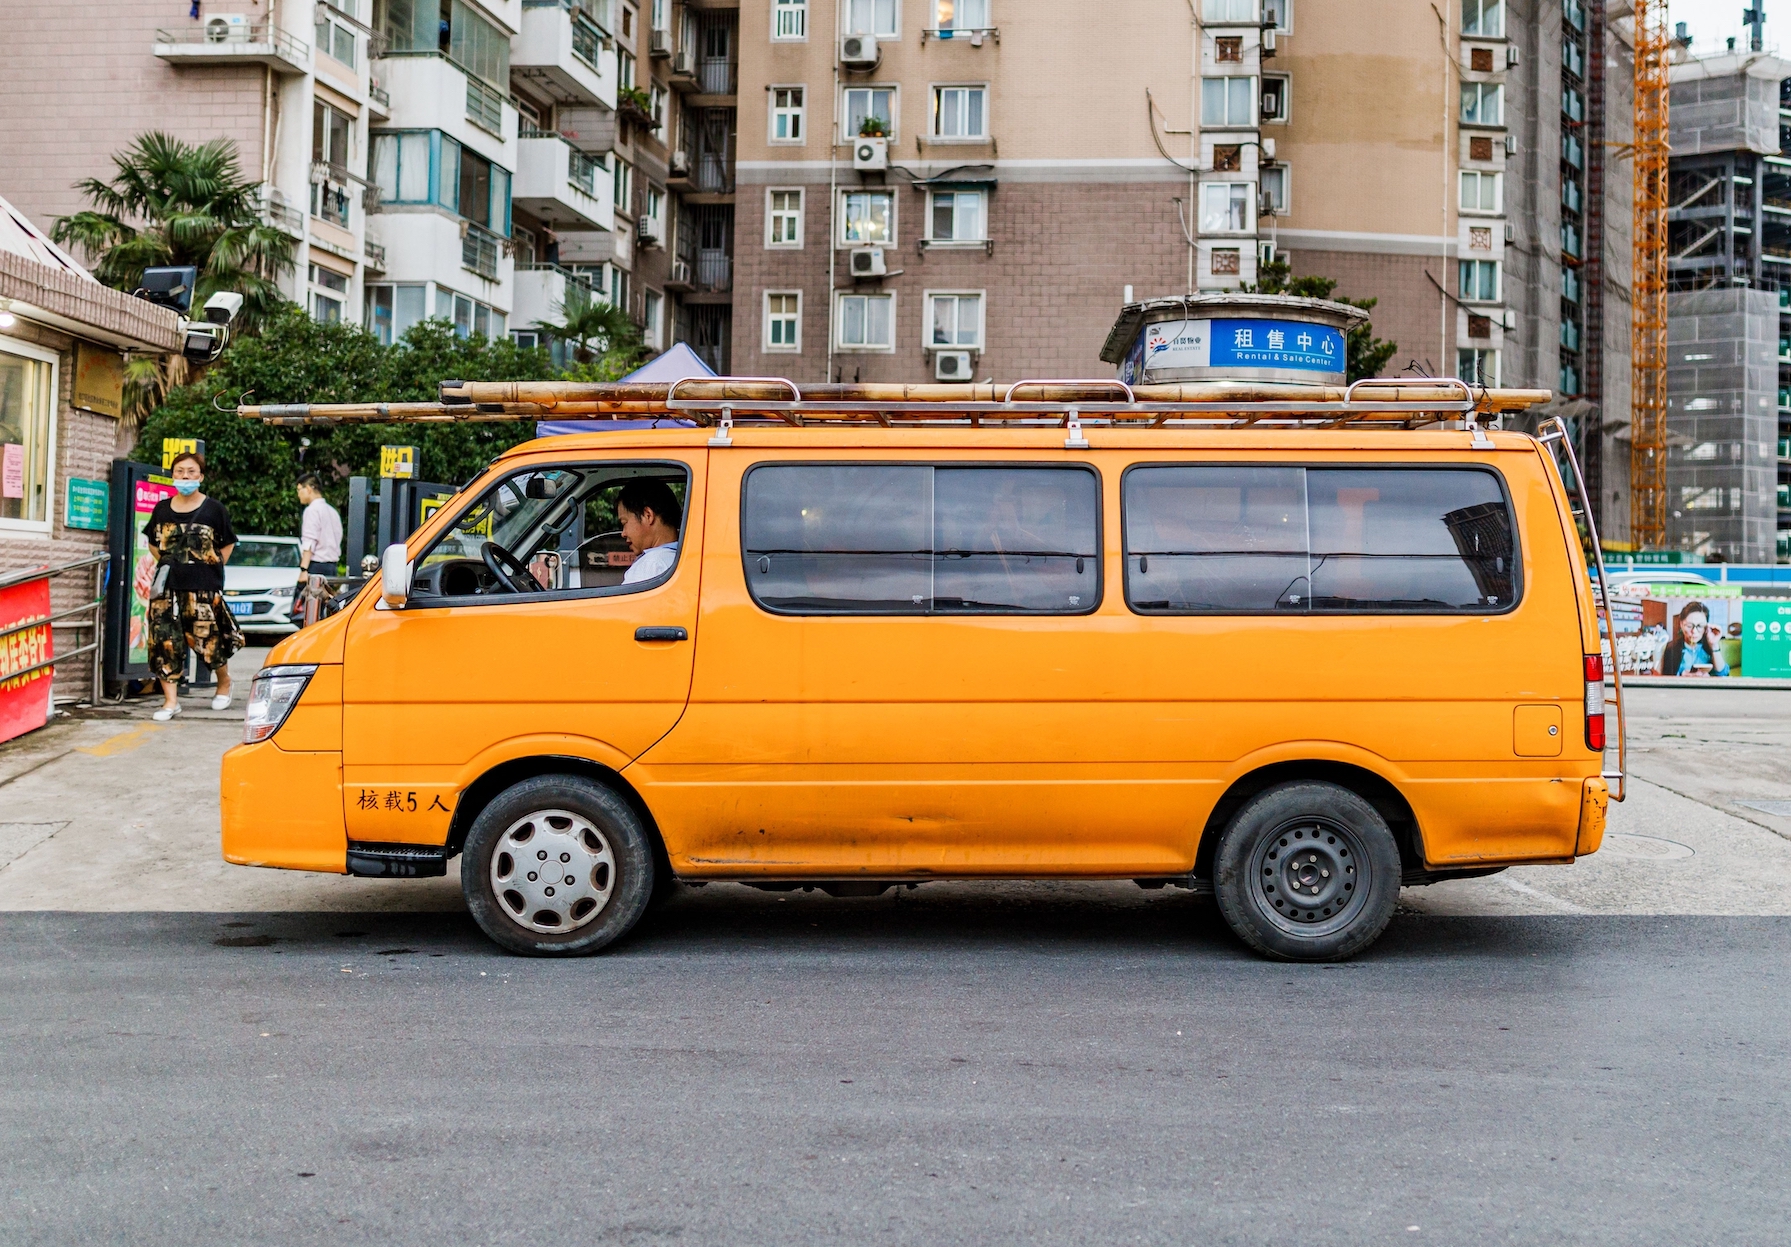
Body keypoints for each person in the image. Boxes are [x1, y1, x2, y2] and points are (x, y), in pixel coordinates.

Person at [143, 452, 244, 720]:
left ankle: (223, 682)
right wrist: (172, 564)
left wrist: (210, 566)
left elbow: (228, 542)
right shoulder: (162, 509)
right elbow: (154, 543)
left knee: (207, 638)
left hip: (203, 586)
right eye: (179, 471)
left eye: (190, 472)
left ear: (200, 476)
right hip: (166, 588)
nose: (185, 476)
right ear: (172, 475)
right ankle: (170, 701)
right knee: (164, 641)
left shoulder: (214, 509)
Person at [294, 473, 343, 626]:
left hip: (315, 566)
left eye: (299, 489)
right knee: (325, 614)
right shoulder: (332, 511)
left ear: (309, 488)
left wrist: (303, 569)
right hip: (331, 567)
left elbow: (309, 542)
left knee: (305, 614)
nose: (298, 494)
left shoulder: (312, 511)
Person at [617, 480, 682, 585]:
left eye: (624, 523)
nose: (623, 533)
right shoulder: (683, 560)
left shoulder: (651, 565)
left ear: (648, 515)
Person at [1655, 600, 1729, 677]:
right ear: (1681, 624)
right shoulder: (1671, 648)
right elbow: (1666, 678)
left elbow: (1723, 674)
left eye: (1700, 626)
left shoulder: (1710, 645)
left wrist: (1714, 645)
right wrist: (1682, 677)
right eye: (1689, 626)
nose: (1694, 631)